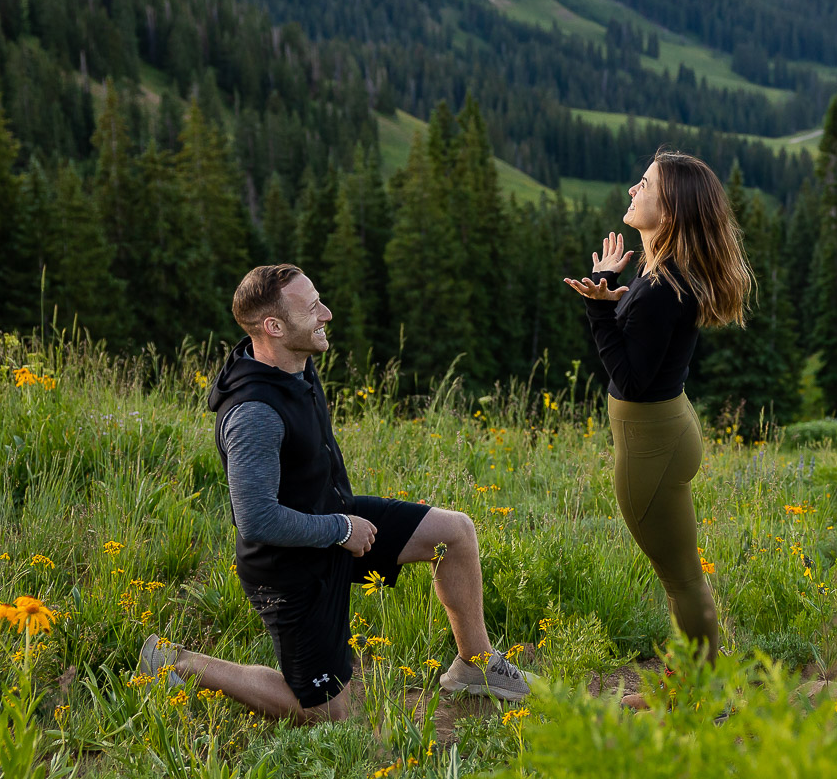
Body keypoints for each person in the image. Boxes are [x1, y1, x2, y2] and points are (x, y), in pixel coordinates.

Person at [137, 264, 533, 721]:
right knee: (328, 713)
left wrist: (340, 524)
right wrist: (341, 528)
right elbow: (256, 519)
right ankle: (181, 663)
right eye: (312, 308)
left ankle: (475, 665)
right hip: (289, 569)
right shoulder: (253, 414)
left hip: (333, 523)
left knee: (455, 533)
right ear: (274, 327)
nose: (326, 314)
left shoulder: (293, 362)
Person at [564, 150, 752, 662]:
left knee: (682, 579)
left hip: (650, 445)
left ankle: (699, 687)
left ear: (668, 213)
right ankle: (694, 677)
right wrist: (609, 291)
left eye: (644, 185)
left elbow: (630, 378)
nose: (632, 189)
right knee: (681, 574)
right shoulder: (663, 273)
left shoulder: (661, 288)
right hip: (666, 433)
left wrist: (599, 312)